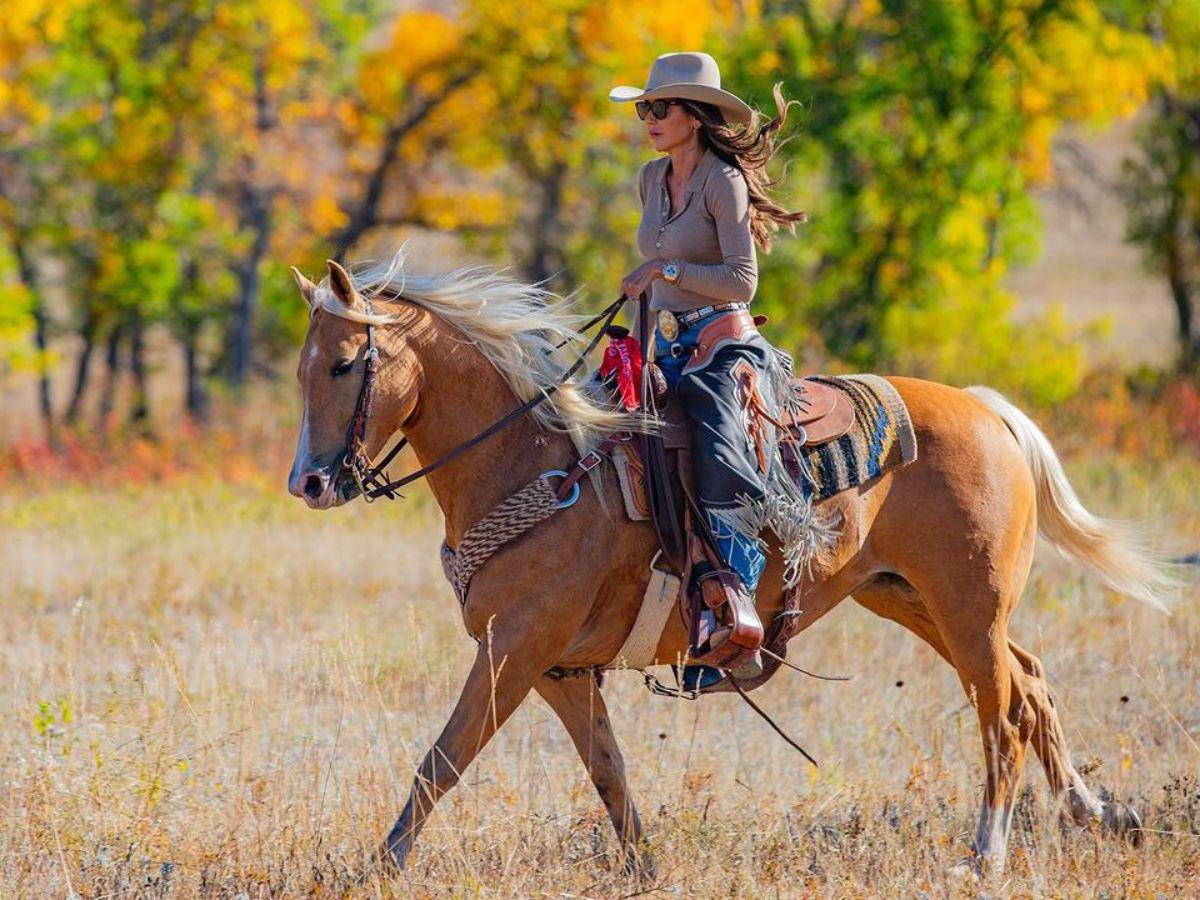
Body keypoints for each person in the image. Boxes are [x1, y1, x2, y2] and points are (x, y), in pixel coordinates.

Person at [610, 51, 808, 687]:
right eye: (645, 108)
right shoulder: (650, 177)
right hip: (661, 343)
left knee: (721, 459)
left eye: (660, 108)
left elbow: (741, 281)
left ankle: (738, 627)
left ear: (694, 116)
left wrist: (666, 272)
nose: (650, 118)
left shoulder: (723, 182)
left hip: (722, 343)